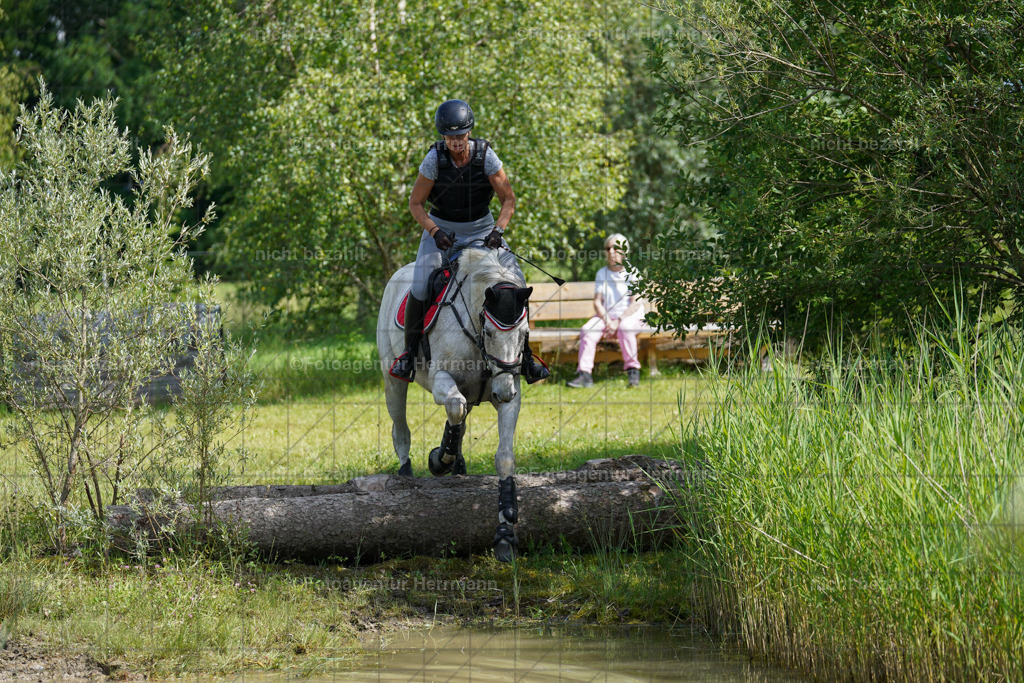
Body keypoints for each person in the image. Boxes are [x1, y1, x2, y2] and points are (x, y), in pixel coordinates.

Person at [389, 98, 549, 384]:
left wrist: (498, 230)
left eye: (461, 136)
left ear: (469, 133)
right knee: (422, 283)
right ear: (443, 137)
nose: (457, 143)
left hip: (482, 230)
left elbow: (508, 199)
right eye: (450, 137)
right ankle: (409, 355)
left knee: (516, 283)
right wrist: (435, 231)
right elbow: (415, 204)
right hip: (442, 230)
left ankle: (525, 358)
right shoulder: (433, 160)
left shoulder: (486, 156)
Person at [566, 234, 646, 388]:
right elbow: (597, 302)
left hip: (630, 318)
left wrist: (618, 320)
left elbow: (636, 302)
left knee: (625, 327)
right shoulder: (602, 273)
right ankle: (585, 375)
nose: (611, 251)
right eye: (608, 248)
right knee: (587, 329)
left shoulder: (633, 272)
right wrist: (609, 321)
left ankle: (633, 371)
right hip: (608, 319)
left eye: (616, 247)